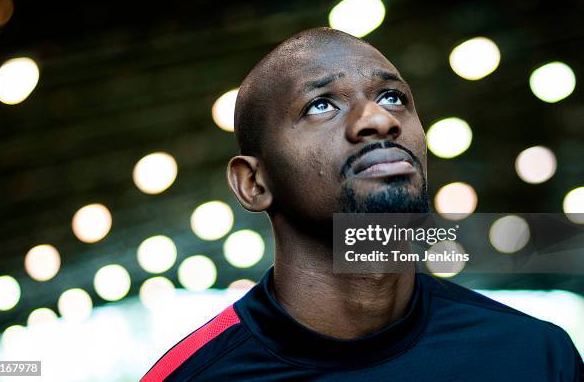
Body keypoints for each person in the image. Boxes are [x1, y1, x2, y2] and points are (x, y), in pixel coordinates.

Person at [141, 27, 583, 381]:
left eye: (393, 98)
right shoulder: (195, 375)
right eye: (320, 105)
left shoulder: (534, 356)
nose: (379, 119)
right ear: (253, 183)